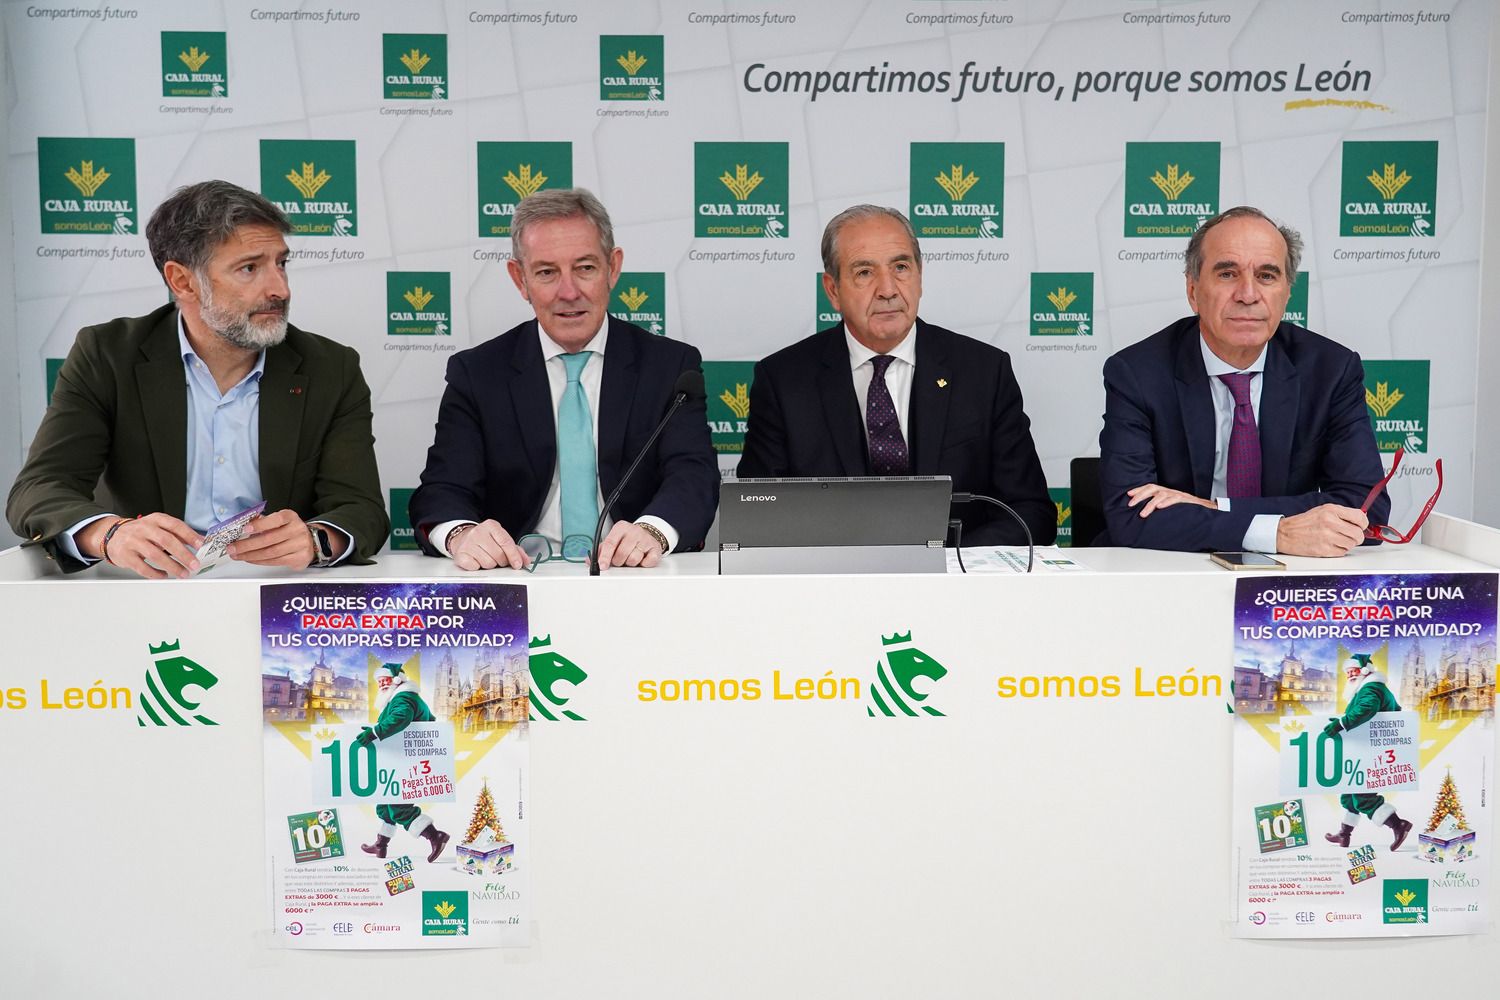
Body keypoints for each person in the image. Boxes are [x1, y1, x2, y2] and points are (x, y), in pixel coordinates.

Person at [7, 180, 388, 577]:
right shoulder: (107, 356)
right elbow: (38, 490)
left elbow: (361, 509)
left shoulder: (331, 367)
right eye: (249, 268)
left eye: (281, 263)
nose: (280, 288)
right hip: (146, 590)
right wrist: (110, 535)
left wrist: (318, 540)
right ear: (182, 281)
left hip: (275, 596)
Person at [409, 188, 717, 570]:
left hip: (633, 577)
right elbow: (442, 490)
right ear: (520, 279)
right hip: (518, 580)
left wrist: (651, 532)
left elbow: (694, 476)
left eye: (585, 268)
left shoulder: (671, 366)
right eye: (546, 272)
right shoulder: (478, 373)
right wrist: (462, 535)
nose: (568, 292)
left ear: (613, 268)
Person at [736, 205, 1054, 546]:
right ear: (832, 290)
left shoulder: (983, 372)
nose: (887, 289)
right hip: (836, 587)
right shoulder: (783, 381)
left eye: (901, 267)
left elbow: (1030, 513)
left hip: (956, 586)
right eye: (864, 273)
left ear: (919, 276)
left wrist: (943, 564)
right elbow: (759, 517)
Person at [1097, 206, 1389, 553]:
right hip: (1173, 575)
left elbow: (1367, 509)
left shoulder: (1331, 370)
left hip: (1290, 583)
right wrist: (1278, 533)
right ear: (1193, 291)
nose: (1248, 294)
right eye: (1227, 274)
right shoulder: (1138, 373)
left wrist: (1215, 507)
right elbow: (1130, 517)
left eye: (1267, 276)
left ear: (1287, 293)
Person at [358, 661, 451, 863]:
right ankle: (381, 845)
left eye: (386, 679)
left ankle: (436, 836)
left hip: (408, 760)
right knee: (385, 801)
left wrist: (375, 732)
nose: (382, 683)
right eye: (380, 680)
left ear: (397, 680)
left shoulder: (403, 697)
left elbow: (401, 718)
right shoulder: (398, 697)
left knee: (399, 805)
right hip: (402, 758)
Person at [1323, 654, 1413, 851]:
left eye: (1353, 671)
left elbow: (1367, 708)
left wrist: (1341, 724)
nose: (1350, 675)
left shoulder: (1371, 687)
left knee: (1363, 796)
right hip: (1367, 748)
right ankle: (1344, 835)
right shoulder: (1368, 688)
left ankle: (1399, 825)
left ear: (1365, 671)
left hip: (1372, 751)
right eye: (1347, 672)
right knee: (1349, 793)